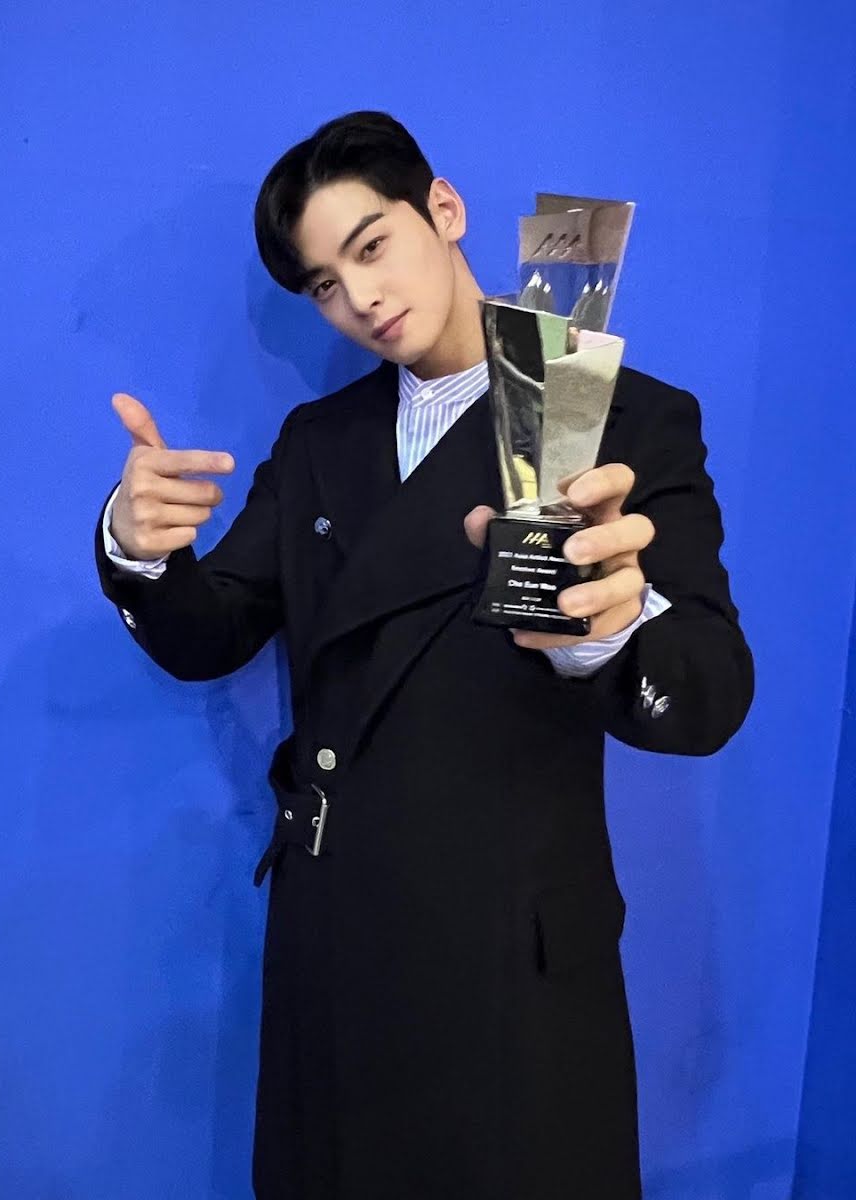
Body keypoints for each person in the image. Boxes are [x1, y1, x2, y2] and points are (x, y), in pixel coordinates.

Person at [95, 110, 753, 1200]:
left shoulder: (619, 417)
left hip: (510, 954)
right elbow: (213, 632)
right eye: (324, 285)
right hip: (336, 935)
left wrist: (613, 628)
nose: (361, 299)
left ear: (443, 209)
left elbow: (709, 694)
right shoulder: (321, 442)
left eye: (372, 246)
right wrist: (141, 551)